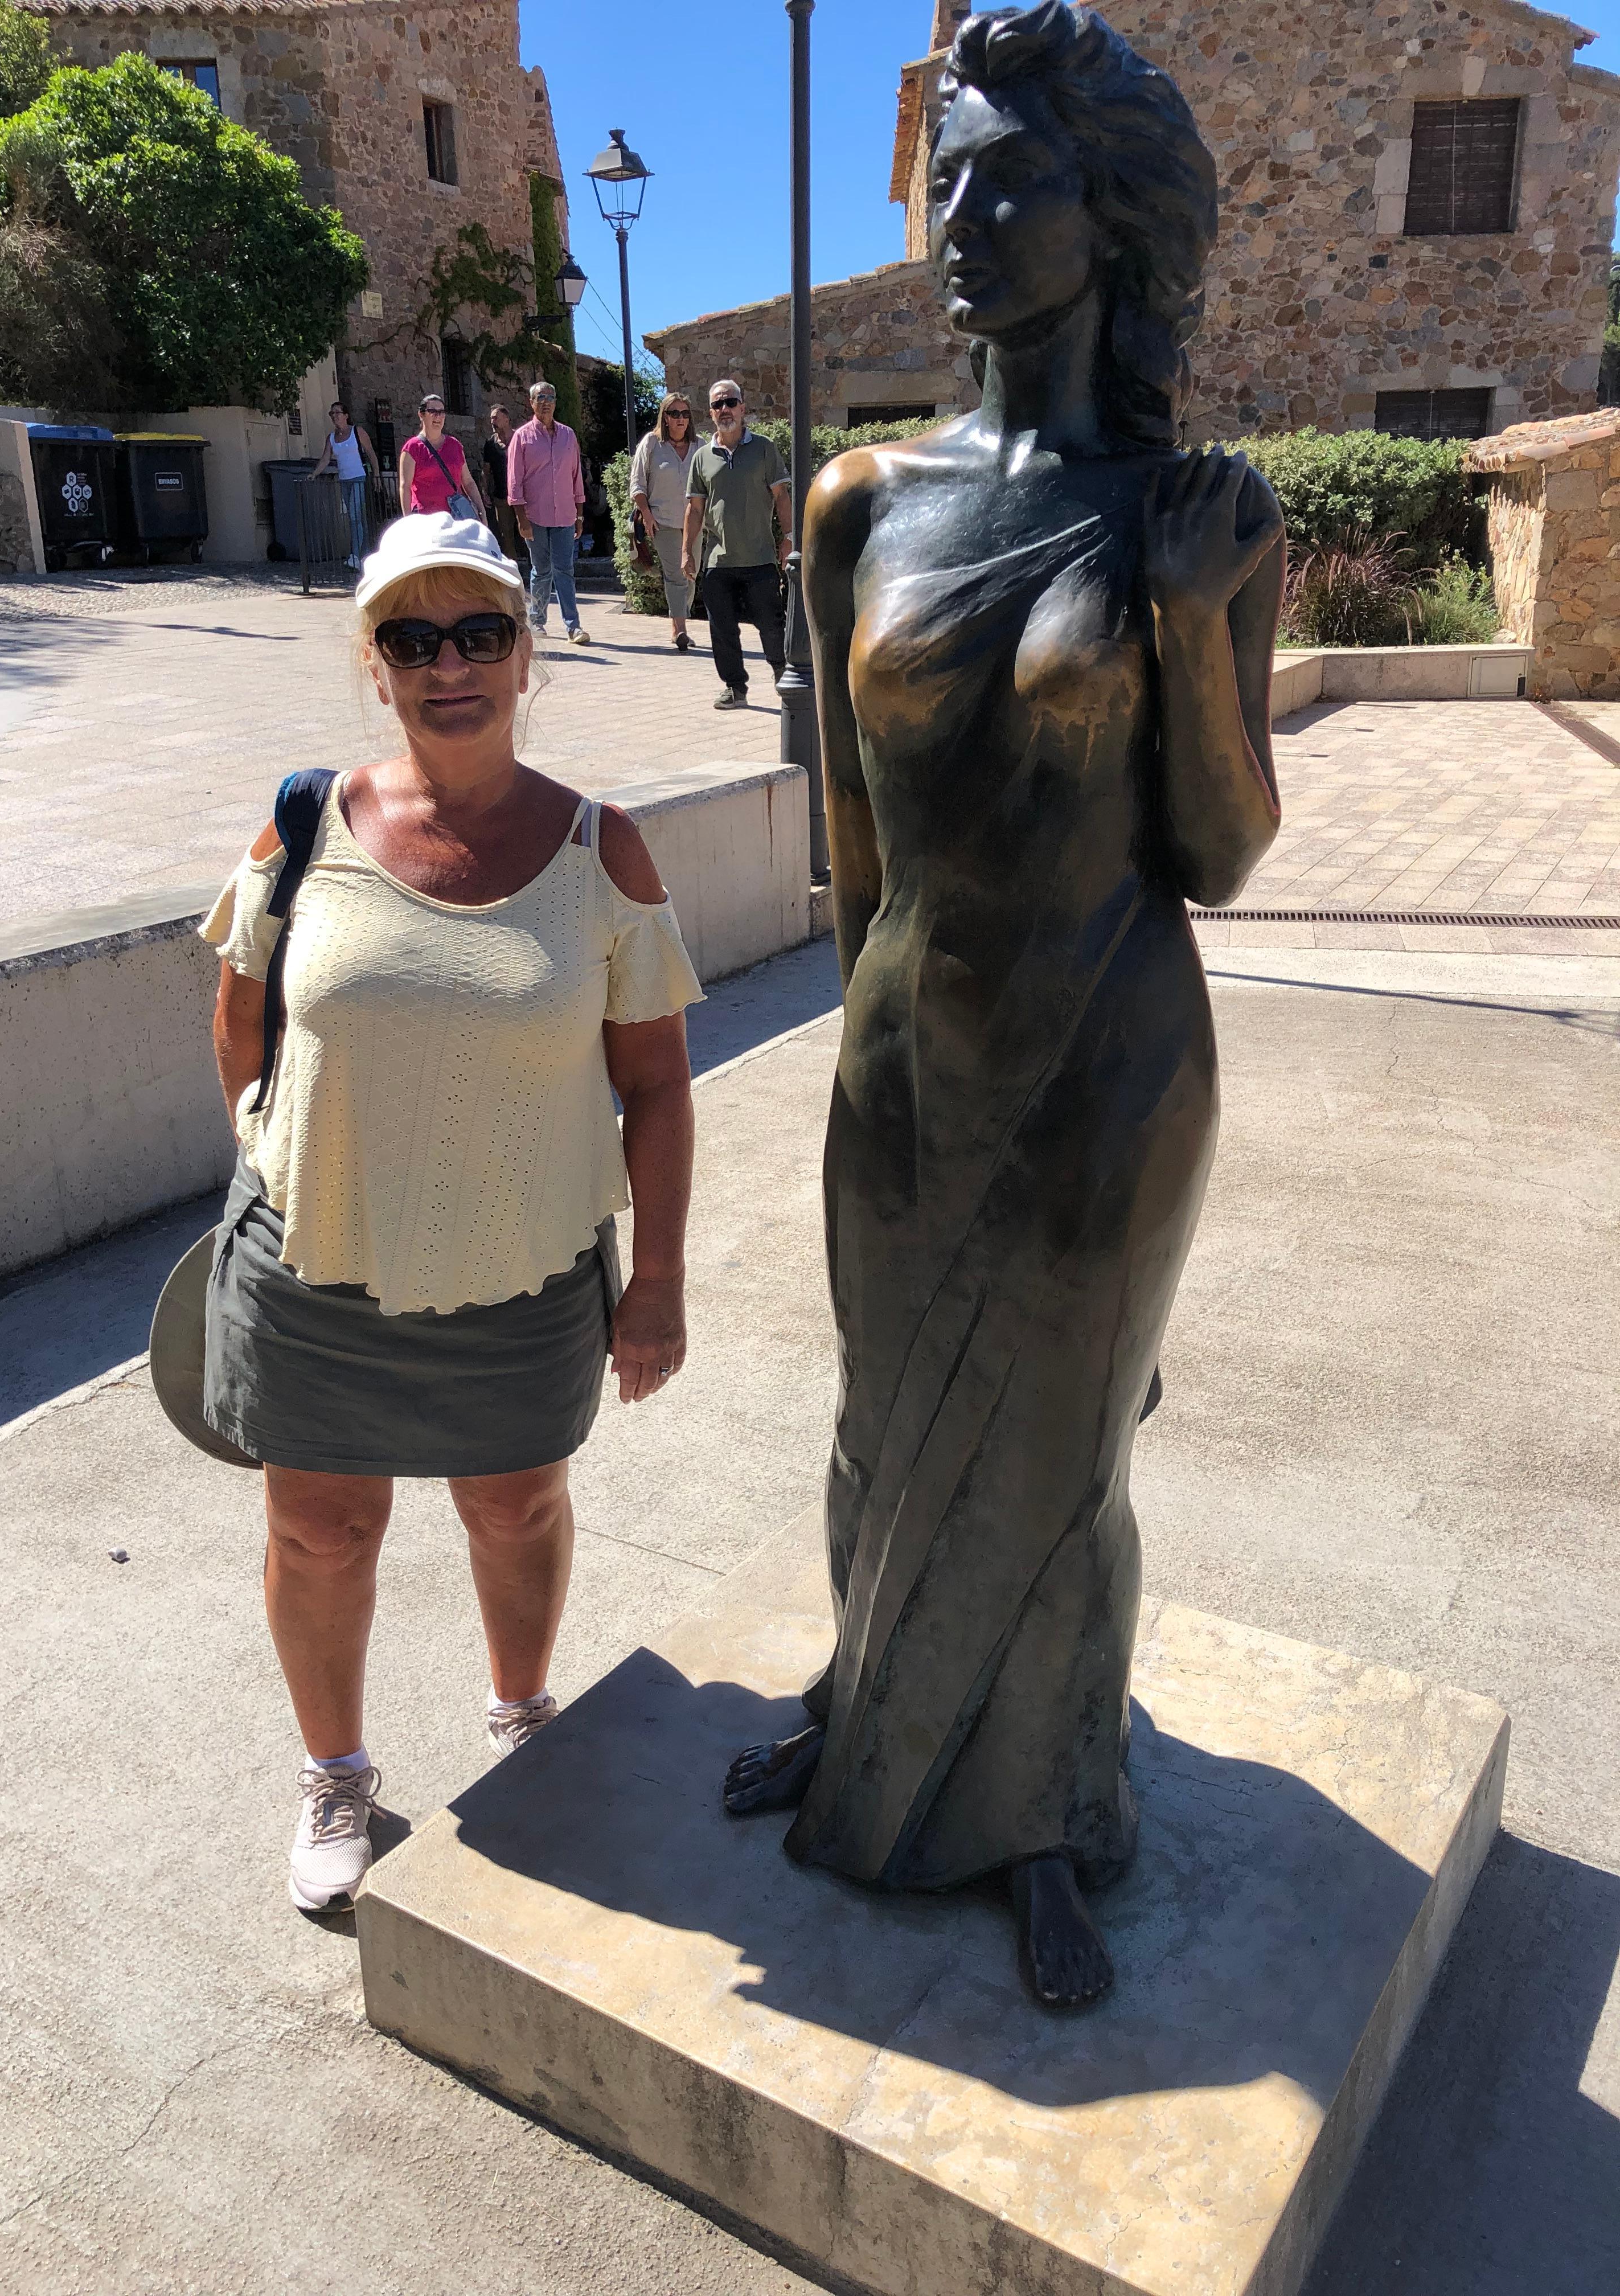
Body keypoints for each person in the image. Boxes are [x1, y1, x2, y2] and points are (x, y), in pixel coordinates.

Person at [721, 1, 1283, 2008]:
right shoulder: (858, 501)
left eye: (1008, 178)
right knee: (883, 1419)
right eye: (942, 175)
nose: (961, 217)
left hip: (1113, 1059)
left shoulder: (1195, 511)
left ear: (1106, 219)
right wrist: (869, 1030)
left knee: (1057, 1451)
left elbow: (1216, 853)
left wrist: (1188, 631)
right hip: (902, 1046)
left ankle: (1047, 1805)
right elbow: (856, 848)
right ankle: (868, 1708)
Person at [198, 510, 703, 1913]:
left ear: (528, 651)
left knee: (516, 1503)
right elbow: (240, 1019)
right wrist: (271, 1149)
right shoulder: (305, 821)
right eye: (413, 638)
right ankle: (336, 1771)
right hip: (317, 1270)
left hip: (525, 1274)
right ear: (376, 664)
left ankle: (525, 1719)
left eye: (481, 629)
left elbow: (655, 1087)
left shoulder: (607, 852)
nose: (451, 663)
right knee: (318, 1531)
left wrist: (655, 1280)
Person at [682, 380, 790, 710]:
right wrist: (687, 551)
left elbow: (781, 496)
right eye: (718, 405)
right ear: (711, 413)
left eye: (731, 403)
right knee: (722, 630)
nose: (725, 410)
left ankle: (783, 676)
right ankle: (734, 688)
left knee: (771, 625)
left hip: (760, 559)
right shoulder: (702, 457)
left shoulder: (764, 449)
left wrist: (788, 539)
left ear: (743, 408)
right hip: (718, 562)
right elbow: (695, 509)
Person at [507, 380, 589, 646]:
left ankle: (573, 627)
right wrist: (521, 520)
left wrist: (579, 514)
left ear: (556, 402)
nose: (546, 402)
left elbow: (576, 477)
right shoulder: (522, 437)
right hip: (535, 516)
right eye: (540, 397)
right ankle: (538, 621)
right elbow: (515, 481)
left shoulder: (568, 436)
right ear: (531, 403)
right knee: (541, 570)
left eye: (550, 397)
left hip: (565, 514)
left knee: (565, 570)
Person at [630, 394, 700, 651]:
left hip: (695, 523)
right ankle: (680, 630)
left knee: (692, 574)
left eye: (685, 414)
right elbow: (637, 483)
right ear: (666, 417)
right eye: (675, 413)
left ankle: (679, 622)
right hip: (664, 522)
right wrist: (647, 515)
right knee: (676, 575)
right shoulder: (651, 443)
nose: (681, 419)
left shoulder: (700, 446)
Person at [309, 401, 379, 568]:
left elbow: (371, 453)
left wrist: (376, 475)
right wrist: (315, 473)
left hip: (359, 478)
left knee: (355, 516)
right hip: (344, 479)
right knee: (356, 518)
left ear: (346, 416)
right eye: (332, 414)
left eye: (337, 413)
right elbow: (326, 458)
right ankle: (365, 555)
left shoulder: (357, 432)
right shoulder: (332, 438)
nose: (334, 416)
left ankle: (355, 555)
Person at [399, 393, 485, 522]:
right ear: (421, 415)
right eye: (432, 411)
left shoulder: (455, 445)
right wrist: (408, 522)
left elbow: (468, 482)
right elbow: (405, 487)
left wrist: (482, 512)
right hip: (426, 520)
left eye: (441, 412)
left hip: (456, 519)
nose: (438, 416)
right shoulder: (412, 448)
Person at [482, 403, 530, 580]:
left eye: (496, 417)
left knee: (527, 533)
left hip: (524, 497)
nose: (492, 421)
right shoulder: (490, 444)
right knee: (506, 536)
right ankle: (515, 576)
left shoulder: (521, 438)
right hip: (502, 497)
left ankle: (537, 572)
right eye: (491, 419)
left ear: (507, 418)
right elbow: (486, 471)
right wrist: (485, 491)